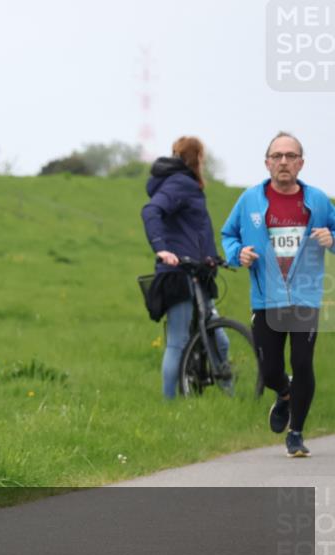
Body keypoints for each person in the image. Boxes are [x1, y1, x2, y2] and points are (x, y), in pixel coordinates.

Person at [221, 132, 335, 457]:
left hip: (306, 297)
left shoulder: (318, 201)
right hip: (266, 297)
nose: (283, 161)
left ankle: (296, 434)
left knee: (302, 363)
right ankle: (284, 393)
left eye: (290, 156)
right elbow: (229, 234)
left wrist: (332, 238)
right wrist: (237, 253)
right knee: (269, 369)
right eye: (277, 156)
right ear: (267, 162)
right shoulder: (250, 200)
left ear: (301, 163)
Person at [141, 136, 228, 399]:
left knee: (220, 339)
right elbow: (151, 211)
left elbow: (196, 230)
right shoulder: (179, 184)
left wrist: (212, 257)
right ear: (197, 158)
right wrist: (162, 249)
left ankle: (228, 395)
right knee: (177, 341)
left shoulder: (188, 185)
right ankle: (170, 404)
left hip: (198, 272)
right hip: (178, 274)